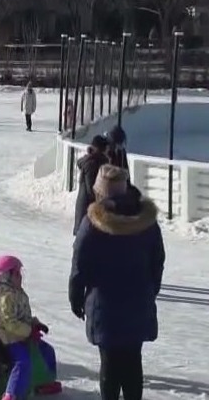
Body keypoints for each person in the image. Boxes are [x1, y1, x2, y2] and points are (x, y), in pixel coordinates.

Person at [69, 165, 165, 400]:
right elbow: (158, 259)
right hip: (138, 301)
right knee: (133, 361)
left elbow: (80, 263)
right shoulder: (146, 221)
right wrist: (150, 289)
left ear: (100, 192)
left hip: (105, 305)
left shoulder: (93, 223)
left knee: (110, 364)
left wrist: (76, 296)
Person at [0, 255, 59, 400]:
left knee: (47, 351)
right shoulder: (5, 298)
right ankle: (11, 394)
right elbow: (10, 323)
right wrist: (29, 331)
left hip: (22, 334)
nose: (20, 277)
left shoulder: (16, 291)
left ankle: (45, 382)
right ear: (5, 277)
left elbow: (22, 315)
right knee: (22, 362)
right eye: (17, 273)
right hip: (10, 340)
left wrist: (35, 324)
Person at [74, 135, 110, 235]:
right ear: (101, 149)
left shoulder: (93, 161)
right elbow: (92, 189)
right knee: (87, 238)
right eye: (106, 148)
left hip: (87, 206)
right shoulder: (93, 164)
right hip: (89, 208)